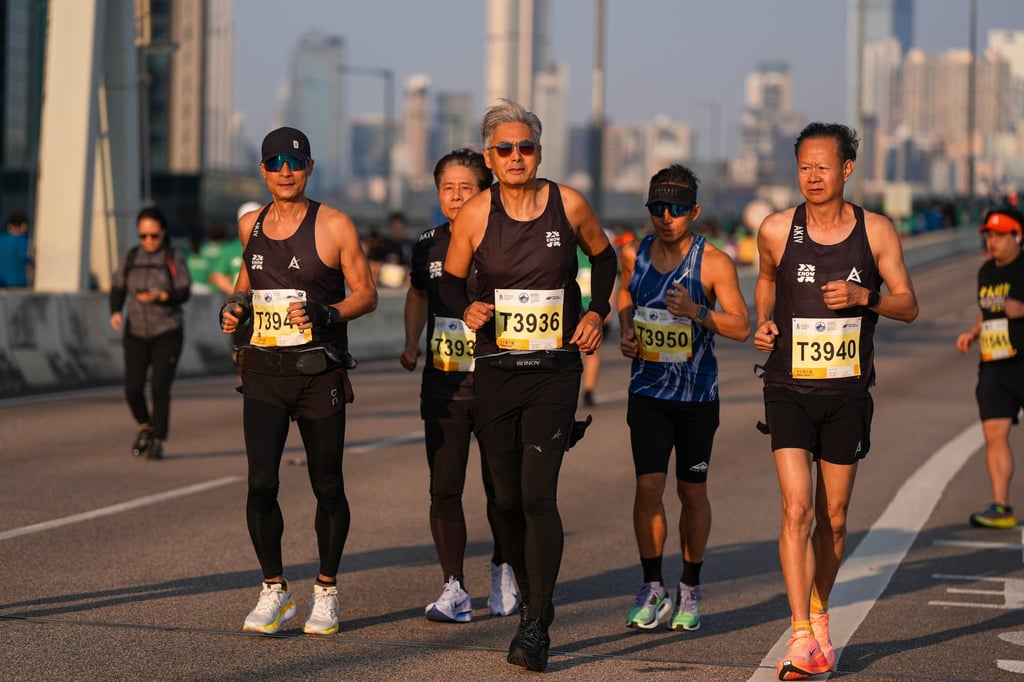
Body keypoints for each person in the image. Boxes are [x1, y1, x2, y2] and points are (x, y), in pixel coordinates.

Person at [440, 99, 616, 672]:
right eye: (505, 149)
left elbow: (604, 256)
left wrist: (596, 310)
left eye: (527, 147)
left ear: (540, 152)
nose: (517, 157)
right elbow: (448, 280)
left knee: (539, 494)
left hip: (555, 373)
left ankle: (537, 620)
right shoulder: (475, 215)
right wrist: (465, 307)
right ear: (490, 156)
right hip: (496, 372)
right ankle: (528, 592)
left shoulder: (569, 203)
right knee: (505, 499)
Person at [753, 122, 918, 680]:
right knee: (796, 508)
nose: (813, 177)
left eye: (824, 166)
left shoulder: (876, 232)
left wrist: (863, 296)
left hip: (847, 391)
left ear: (847, 168)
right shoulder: (776, 229)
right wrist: (764, 323)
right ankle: (801, 634)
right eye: (804, 166)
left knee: (835, 518)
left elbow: (909, 305)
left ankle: (821, 614)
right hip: (787, 387)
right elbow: (767, 281)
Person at [219, 126, 378, 636]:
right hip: (264, 370)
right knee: (261, 483)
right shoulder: (250, 225)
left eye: (295, 162)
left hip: (318, 374)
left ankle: (326, 591)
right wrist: (236, 307)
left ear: (309, 168)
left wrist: (327, 313)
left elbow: (367, 293)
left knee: (326, 484)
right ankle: (274, 589)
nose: (285, 171)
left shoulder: (334, 225)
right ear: (263, 171)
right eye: (275, 163)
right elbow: (247, 282)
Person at [618, 165, 750, 633]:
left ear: (694, 211)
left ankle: (690, 588)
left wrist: (697, 311)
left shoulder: (713, 262)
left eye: (676, 209)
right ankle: (652, 586)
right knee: (648, 489)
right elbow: (623, 300)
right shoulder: (635, 254)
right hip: (648, 392)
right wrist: (627, 332)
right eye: (658, 208)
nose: (666, 217)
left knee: (691, 492)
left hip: (697, 398)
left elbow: (742, 325)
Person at [400, 148, 520, 623]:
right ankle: (453, 587)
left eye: (465, 187)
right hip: (444, 385)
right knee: (444, 489)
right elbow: (415, 292)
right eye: (447, 188)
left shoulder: (507, 239)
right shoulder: (427, 243)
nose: (455, 196)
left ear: (485, 189)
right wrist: (411, 342)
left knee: (502, 491)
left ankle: (503, 567)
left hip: (497, 382)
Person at [956, 207, 1024, 529]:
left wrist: (1022, 309)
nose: (993, 242)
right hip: (995, 367)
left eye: (1000, 235)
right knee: (994, 433)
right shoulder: (986, 273)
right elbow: (988, 311)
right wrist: (973, 332)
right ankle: (1002, 507)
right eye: (989, 236)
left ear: (1018, 236)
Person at [109, 206, 192, 460]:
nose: (148, 241)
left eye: (154, 236)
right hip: (135, 330)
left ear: (163, 233)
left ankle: (157, 440)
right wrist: (115, 311)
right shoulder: (132, 257)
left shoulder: (172, 256)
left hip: (167, 330)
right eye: (143, 236)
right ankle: (145, 427)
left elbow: (184, 291)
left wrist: (164, 296)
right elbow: (118, 286)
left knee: (159, 388)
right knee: (132, 389)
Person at [577, 239, 615, 407]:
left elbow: (610, 278)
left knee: (592, 351)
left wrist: (607, 307)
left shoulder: (596, 247)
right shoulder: (565, 246)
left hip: (592, 308)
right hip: (571, 307)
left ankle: (588, 390)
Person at [0, 210, 32, 287]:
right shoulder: (22, 240)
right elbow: (22, 257)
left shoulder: (1, 239)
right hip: (17, 280)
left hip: (2, 279)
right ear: (23, 226)